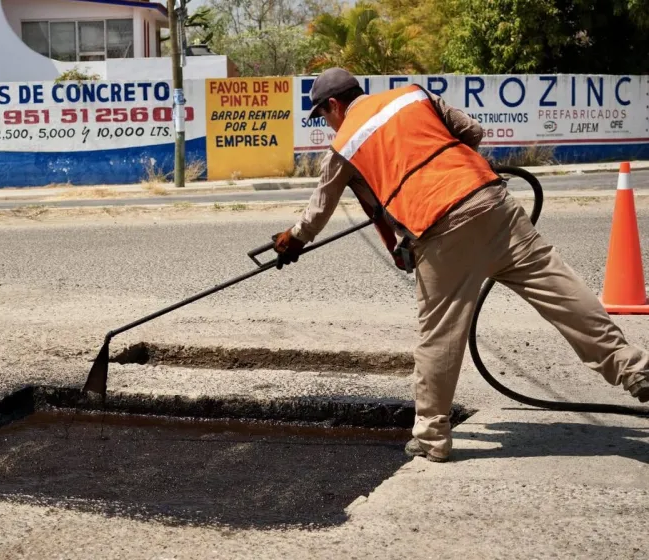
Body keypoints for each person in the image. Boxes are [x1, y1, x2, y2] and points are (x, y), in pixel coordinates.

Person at [272, 67, 649, 462]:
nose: (328, 125)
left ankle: (432, 436)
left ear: (334, 105)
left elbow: (319, 210)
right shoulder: (413, 95)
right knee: (562, 292)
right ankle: (634, 368)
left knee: (439, 332)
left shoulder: (345, 143)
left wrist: (292, 240)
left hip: (440, 227)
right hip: (493, 203)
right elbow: (472, 131)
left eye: (324, 116)